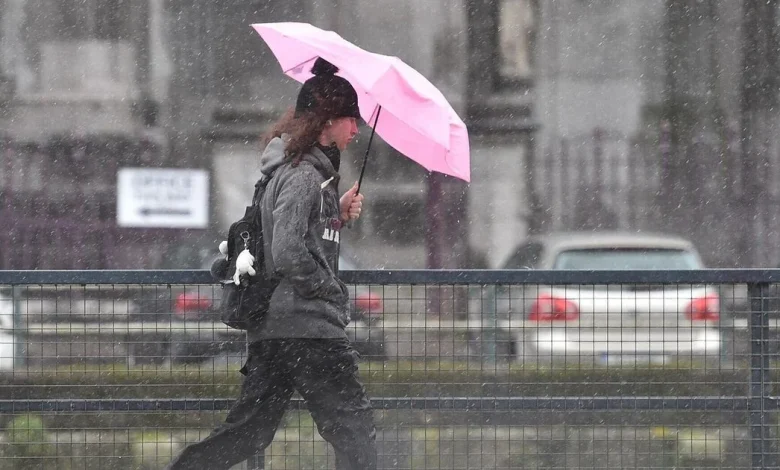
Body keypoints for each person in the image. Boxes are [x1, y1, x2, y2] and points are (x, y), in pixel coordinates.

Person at [166, 58, 377, 470]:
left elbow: (300, 236)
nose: (356, 130)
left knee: (248, 432)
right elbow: (287, 250)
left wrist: (337, 215)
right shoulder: (304, 176)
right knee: (354, 432)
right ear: (327, 121)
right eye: (351, 120)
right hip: (308, 328)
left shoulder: (293, 172)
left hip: (276, 328)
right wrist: (329, 289)